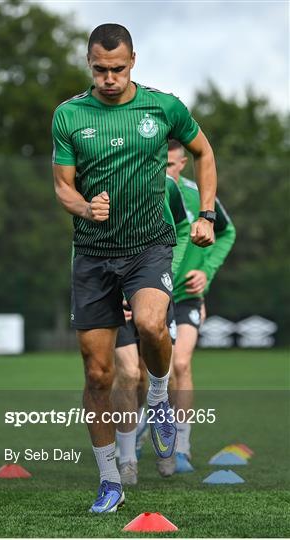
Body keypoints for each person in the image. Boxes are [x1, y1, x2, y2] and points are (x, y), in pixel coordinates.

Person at [52, 23, 217, 513]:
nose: (109, 78)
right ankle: (109, 481)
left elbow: (203, 152)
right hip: (92, 254)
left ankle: (160, 397)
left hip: (149, 246)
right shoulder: (68, 115)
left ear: (133, 61)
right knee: (99, 375)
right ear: (89, 64)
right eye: (100, 69)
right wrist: (83, 208)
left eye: (118, 69)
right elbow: (62, 186)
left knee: (149, 323)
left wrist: (205, 214)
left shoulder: (162, 107)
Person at [155, 139, 236, 476]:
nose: (167, 172)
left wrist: (205, 272)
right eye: (162, 166)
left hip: (186, 294)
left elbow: (227, 232)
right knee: (148, 374)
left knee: (181, 363)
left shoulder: (197, 194)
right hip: (151, 293)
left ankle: (182, 446)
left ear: (184, 164)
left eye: (172, 165)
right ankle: (150, 426)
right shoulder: (144, 190)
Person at [113, 175, 190, 486]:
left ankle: (165, 437)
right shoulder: (96, 178)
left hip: (151, 288)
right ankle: (127, 459)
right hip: (112, 294)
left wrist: (166, 277)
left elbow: (180, 229)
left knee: (162, 376)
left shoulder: (163, 184)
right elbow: (82, 242)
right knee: (129, 375)